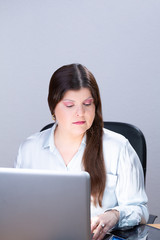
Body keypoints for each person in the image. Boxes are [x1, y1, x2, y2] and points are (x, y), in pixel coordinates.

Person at [14, 63, 149, 240]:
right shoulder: (30, 149)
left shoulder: (118, 147)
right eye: (70, 105)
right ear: (53, 107)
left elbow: (140, 209)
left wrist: (115, 215)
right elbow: (17, 209)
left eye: (87, 104)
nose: (81, 113)